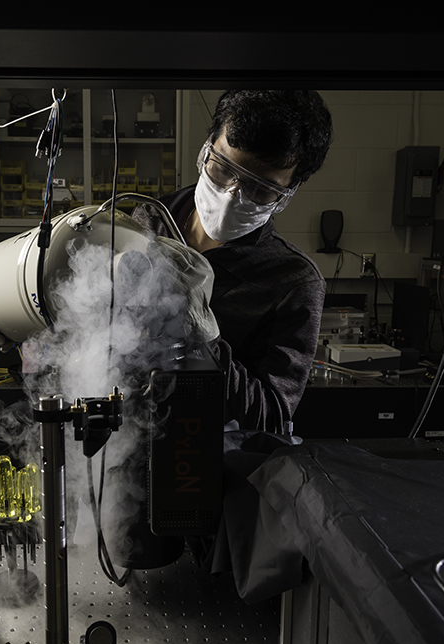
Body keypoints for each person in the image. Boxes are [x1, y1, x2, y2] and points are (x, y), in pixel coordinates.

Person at [132, 90, 332, 435]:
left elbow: (271, 418)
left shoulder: (293, 282)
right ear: (207, 147)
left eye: (261, 189)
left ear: (291, 189)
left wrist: (204, 342)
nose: (231, 194)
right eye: (222, 168)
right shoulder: (145, 222)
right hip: (119, 447)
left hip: (208, 465)